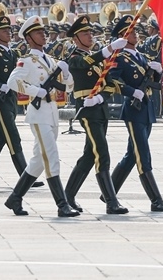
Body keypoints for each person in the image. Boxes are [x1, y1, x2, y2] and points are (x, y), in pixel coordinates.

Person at [4, 15, 78, 217]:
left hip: (52, 113)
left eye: (43, 31)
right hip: (38, 115)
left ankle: (15, 198)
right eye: (38, 32)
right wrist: (36, 91)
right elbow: (12, 82)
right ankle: (62, 205)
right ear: (28, 38)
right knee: (51, 156)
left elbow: (69, 88)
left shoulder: (52, 60)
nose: (43, 35)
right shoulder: (26, 61)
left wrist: (66, 73)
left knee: (38, 160)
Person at [63, 15, 129, 214]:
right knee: (102, 152)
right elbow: (85, 63)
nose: (90, 35)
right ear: (75, 38)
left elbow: (109, 83)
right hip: (87, 112)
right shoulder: (74, 58)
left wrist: (101, 97)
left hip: (100, 109)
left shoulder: (99, 60)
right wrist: (109, 49)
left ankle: (68, 196)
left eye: (91, 32)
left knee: (89, 156)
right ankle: (111, 201)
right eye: (85, 33)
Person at [106, 15, 163, 212]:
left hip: (146, 109)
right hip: (133, 110)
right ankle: (156, 200)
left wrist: (157, 71)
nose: (135, 34)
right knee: (143, 155)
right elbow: (113, 80)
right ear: (122, 35)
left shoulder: (141, 56)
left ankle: (109, 193)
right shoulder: (119, 57)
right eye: (131, 32)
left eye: (135, 31)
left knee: (131, 155)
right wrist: (131, 91)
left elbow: (153, 82)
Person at [0, 15, 44, 188]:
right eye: (4, 30)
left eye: (9, 30)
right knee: (13, 137)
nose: (8, 32)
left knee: (0, 140)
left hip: (12, 100)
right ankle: (26, 177)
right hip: (1, 101)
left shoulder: (14, 53)